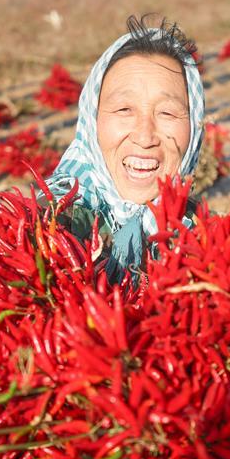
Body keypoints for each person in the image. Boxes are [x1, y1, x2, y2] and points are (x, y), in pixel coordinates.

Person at [46, 15, 206, 282]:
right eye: (124, 109)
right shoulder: (48, 221)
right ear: (91, 120)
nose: (145, 137)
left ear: (195, 129)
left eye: (167, 113)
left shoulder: (201, 233)